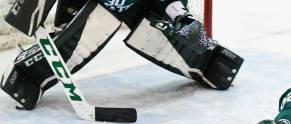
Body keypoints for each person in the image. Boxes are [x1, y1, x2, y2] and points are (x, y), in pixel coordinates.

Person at [1, 0, 242, 110]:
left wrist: (183, 19)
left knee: (179, 35)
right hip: (94, 8)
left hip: (138, 8)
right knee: (77, 34)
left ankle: (212, 64)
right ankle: (27, 77)